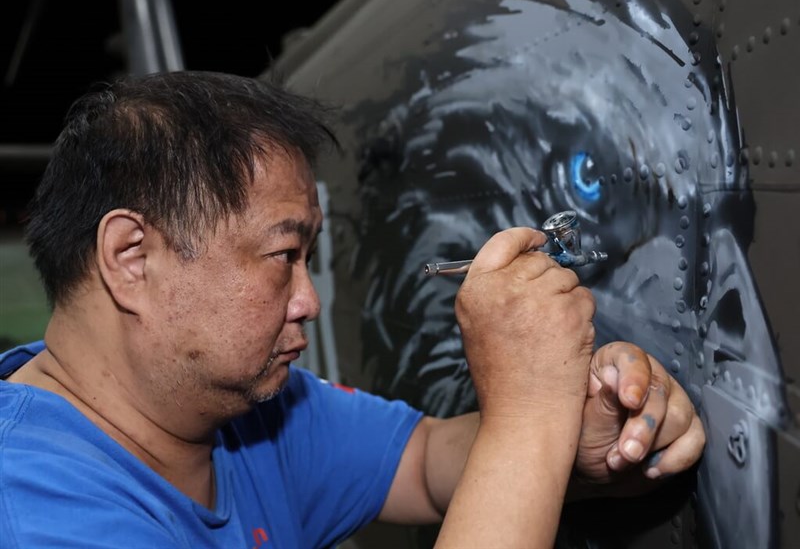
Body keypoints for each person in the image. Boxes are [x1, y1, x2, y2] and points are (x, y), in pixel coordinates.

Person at [0, 71, 704, 548]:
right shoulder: (37, 512)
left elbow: (423, 461)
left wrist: (574, 432)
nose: (307, 301)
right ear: (131, 258)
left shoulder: (251, 416)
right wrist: (526, 412)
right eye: (283, 256)